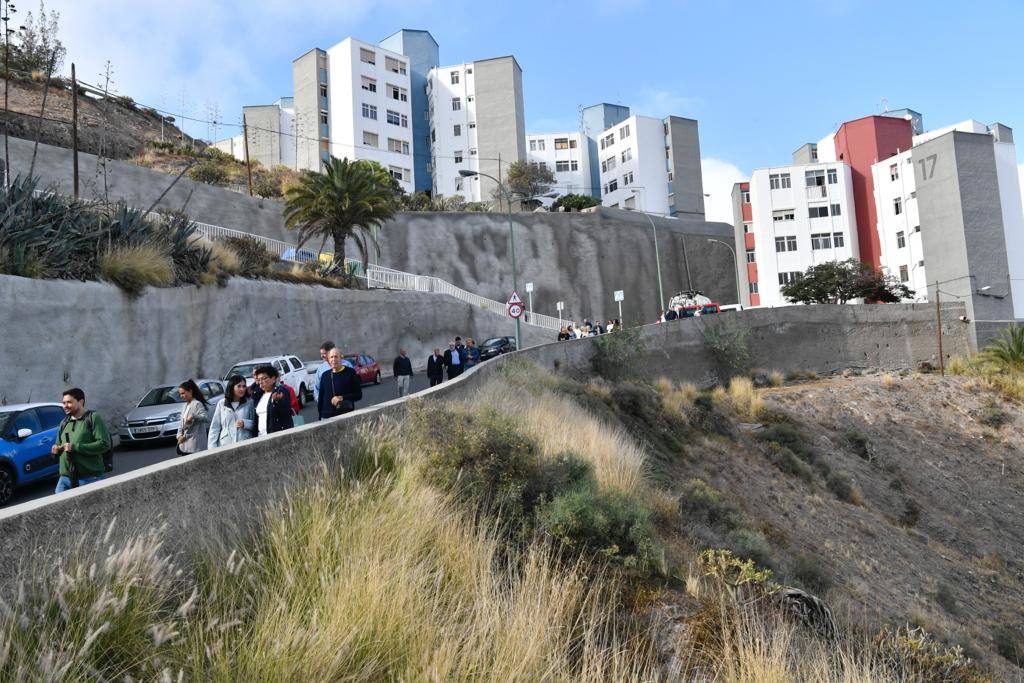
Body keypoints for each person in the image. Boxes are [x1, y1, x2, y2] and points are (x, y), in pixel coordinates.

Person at [52, 387, 111, 493]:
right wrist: (56, 449)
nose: (65, 406)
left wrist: (75, 447)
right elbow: (58, 443)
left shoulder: (93, 418)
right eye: (64, 403)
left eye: (69, 402)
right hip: (65, 479)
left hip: (90, 478)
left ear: (81, 402)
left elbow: (104, 444)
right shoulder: (64, 422)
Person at [208, 375, 255, 448]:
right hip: (226, 445)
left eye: (244, 386)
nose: (242, 389)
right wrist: (212, 447)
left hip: (245, 444)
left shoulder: (249, 402)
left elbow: (256, 424)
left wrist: (245, 423)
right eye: (239, 386)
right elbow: (215, 427)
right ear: (232, 387)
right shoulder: (222, 403)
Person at [318, 347, 363, 419]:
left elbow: (358, 395)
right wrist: (320, 417)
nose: (333, 359)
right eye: (331, 357)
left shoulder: (350, 373)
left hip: (345, 416)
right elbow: (321, 399)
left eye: (336, 356)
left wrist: (342, 398)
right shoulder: (325, 376)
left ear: (341, 358)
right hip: (326, 418)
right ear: (328, 360)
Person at [251, 365, 294, 435]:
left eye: (264, 378)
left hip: (276, 436)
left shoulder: (280, 391)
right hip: (260, 436)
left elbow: (286, 412)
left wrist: (277, 401)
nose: (261, 382)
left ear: (273, 379)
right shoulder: (257, 395)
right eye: (259, 380)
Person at [175, 379, 210, 456]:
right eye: (180, 394)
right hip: (184, 445)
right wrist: (179, 436)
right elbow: (181, 424)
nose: (181, 396)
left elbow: (206, 418)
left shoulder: (197, 404)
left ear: (190, 391)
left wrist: (194, 416)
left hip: (195, 446)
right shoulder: (184, 406)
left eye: (183, 393)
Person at [312, 341, 335, 405]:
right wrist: (318, 400)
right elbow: (317, 387)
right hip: (327, 406)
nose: (322, 356)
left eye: (324, 353)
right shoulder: (321, 369)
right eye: (321, 354)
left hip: (344, 405)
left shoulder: (346, 365)